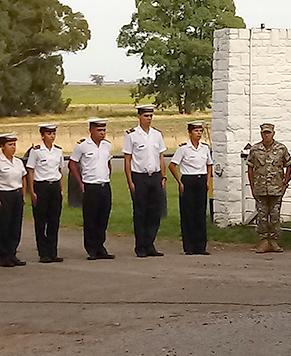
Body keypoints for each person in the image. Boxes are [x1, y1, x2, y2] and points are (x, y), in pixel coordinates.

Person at [123, 104, 167, 258]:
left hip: (154, 176)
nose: (149, 119)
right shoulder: (131, 135)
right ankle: (140, 246)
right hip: (139, 176)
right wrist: (130, 181)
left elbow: (160, 157)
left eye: (150, 116)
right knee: (141, 212)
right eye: (146, 116)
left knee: (154, 212)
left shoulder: (157, 135)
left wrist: (163, 176)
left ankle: (150, 244)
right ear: (139, 116)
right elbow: (128, 160)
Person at [69, 119, 115, 260]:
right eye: (99, 130)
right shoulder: (82, 146)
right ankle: (91, 249)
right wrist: (80, 182)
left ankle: (100, 247)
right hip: (90, 186)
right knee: (90, 218)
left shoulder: (107, 145)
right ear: (91, 130)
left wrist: (108, 175)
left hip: (104, 185)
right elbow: (72, 163)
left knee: (103, 217)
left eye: (104, 130)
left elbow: (108, 162)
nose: (102, 133)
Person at [246, 123, 291, 253]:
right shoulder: (255, 149)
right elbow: (250, 168)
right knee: (261, 216)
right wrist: (252, 185)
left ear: (273, 133)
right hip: (260, 188)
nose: (267, 135)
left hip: (276, 188)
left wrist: (285, 183)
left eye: (269, 133)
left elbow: (288, 165)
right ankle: (263, 241)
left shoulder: (281, 148)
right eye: (264, 133)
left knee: (275, 215)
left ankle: (274, 240)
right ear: (261, 134)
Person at [168, 121, 213, 255]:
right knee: (188, 214)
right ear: (190, 133)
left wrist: (208, 180)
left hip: (201, 180)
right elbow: (172, 165)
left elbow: (209, 164)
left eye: (200, 131)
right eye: (196, 131)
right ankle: (189, 246)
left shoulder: (204, 148)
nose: (199, 134)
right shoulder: (183, 148)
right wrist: (179, 182)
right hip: (188, 179)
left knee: (200, 214)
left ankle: (201, 246)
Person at [26, 123, 65, 263]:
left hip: (54, 185)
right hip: (41, 186)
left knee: (54, 220)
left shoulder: (58, 151)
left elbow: (60, 171)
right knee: (41, 220)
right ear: (42, 136)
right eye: (49, 133)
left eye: (54, 133)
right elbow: (31, 171)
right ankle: (43, 253)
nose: (52, 136)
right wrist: (32, 191)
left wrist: (61, 189)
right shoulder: (36, 151)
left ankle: (53, 251)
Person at [0, 133, 28, 267]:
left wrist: (23, 194)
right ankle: (3, 256)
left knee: (15, 226)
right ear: (2, 147)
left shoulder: (17, 161)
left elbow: (23, 177)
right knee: (4, 226)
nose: (13, 147)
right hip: (4, 195)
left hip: (16, 195)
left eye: (14, 144)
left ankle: (12, 253)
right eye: (10, 145)